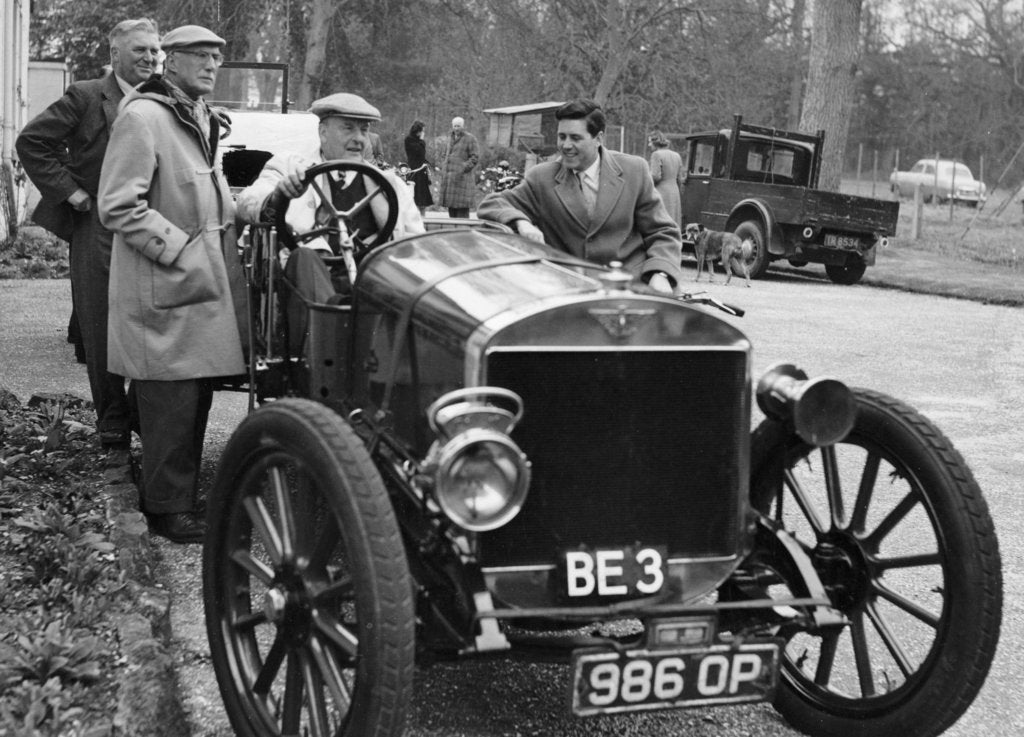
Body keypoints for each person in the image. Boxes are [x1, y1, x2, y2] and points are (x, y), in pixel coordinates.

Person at [97, 25, 248, 544]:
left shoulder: (195, 114)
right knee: (171, 399)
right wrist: (180, 251)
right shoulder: (143, 117)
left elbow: (201, 188)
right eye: (200, 57)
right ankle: (165, 508)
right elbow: (118, 205)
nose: (211, 65)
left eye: (217, 58)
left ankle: (174, 495)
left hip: (194, 284)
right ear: (173, 63)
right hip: (165, 283)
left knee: (190, 395)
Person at [16, 18, 161, 450]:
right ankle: (112, 420)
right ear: (116, 55)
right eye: (141, 51)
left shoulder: (165, 98)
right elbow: (32, 142)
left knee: (154, 317)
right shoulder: (85, 95)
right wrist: (74, 194)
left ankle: (140, 412)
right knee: (100, 323)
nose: (150, 59)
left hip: (153, 222)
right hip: (98, 221)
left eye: (155, 52)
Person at [235, 92, 424, 353]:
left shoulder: (390, 185)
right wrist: (279, 194)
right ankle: (331, 346)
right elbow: (247, 202)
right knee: (304, 258)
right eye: (348, 128)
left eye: (364, 129)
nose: (359, 138)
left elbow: (415, 245)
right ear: (323, 132)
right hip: (311, 280)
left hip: (371, 282)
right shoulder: (291, 167)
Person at [477, 99, 683, 294]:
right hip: (570, 295)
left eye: (575, 138)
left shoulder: (634, 170)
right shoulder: (542, 178)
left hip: (631, 291)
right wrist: (521, 222)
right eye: (562, 137)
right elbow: (492, 203)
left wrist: (660, 273)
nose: (566, 145)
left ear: (598, 139)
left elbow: (663, 231)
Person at [438, 116, 479, 218]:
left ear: (463, 126)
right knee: (451, 210)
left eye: (459, 126)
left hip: (463, 180)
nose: (456, 128)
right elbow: (445, 155)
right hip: (450, 180)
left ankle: (464, 232)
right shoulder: (450, 138)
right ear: (452, 126)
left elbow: (475, 157)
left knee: (462, 213)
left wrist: (463, 168)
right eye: (455, 126)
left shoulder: (470, 138)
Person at [648, 130, 685, 227]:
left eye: (650, 142)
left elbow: (655, 176)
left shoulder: (656, 155)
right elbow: (679, 179)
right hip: (674, 193)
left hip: (662, 192)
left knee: (660, 222)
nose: (649, 145)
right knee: (673, 223)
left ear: (655, 142)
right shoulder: (677, 155)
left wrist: (646, 184)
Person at [404, 120, 434, 214]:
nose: (423, 133)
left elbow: (422, 155)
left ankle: (423, 216)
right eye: (422, 131)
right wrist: (421, 140)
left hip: (422, 171)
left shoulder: (419, 141)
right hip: (414, 171)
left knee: (423, 200)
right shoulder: (409, 140)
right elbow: (419, 152)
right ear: (418, 131)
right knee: (415, 198)